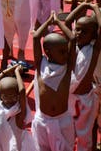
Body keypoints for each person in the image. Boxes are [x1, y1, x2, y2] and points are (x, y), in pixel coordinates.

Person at [31, 13, 76, 151]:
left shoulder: (67, 68)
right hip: (42, 121)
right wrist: (48, 21)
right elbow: (36, 36)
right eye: (62, 52)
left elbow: (73, 39)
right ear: (48, 52)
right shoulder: (41, 65)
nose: (66, 54)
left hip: (63, 121)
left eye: (66, 51)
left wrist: (57, 22)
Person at [65, 3, 101, 151]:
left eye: (84, 31)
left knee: (93, 127)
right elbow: (67, 21)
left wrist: (94, 9)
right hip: (76, 96)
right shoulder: (72, 44)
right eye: (77, 29)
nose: (79, 33)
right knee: (78, 128)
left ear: (94, 34)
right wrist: (84, 5)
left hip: (92, 93)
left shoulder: (94, 48)